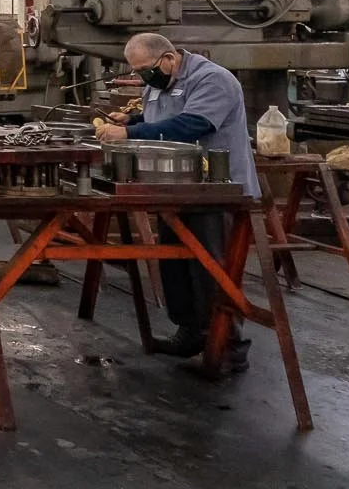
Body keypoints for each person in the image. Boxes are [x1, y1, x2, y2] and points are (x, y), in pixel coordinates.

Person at [95, 32, 259, 365]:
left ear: (168, 59)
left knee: (211, 266)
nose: (144, 77)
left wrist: (128, 134)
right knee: (177, 265)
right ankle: (191, 333)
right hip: (175, 187)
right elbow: (162, 120)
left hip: (217, 189)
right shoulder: (157, 82)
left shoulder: (213, 80)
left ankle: (228, 344)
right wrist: (135, 120)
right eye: (138, 72)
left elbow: (191, 125)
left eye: (146, 69)